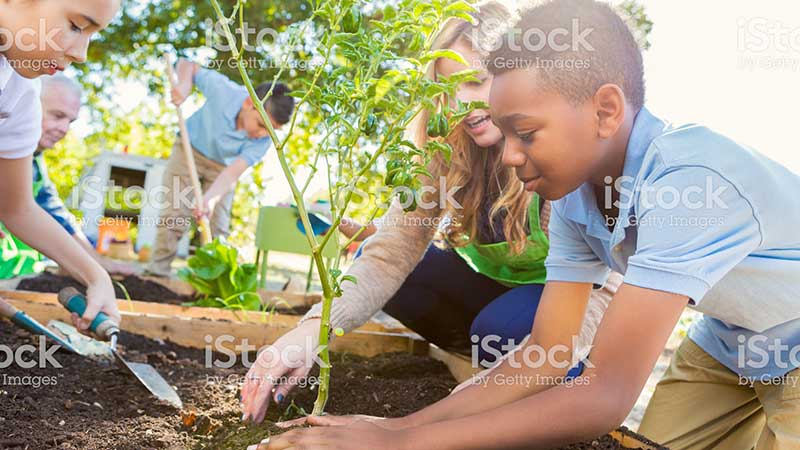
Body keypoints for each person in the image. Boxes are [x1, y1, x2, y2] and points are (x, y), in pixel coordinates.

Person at [259, 1, 800, 449]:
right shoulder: (571, 196)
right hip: (727, 340)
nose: (511, 158)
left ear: (605, 110)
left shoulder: (689, 184)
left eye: (524, 132)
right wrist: (397, 427)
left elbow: (605, 392)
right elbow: (548, 353)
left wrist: (401, 444)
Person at [241, 0, 621, 426]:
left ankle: (529, 370)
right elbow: (392, 250)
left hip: (567, 303)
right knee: (396, 270)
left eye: (477, 81)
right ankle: (476, 358)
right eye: (447, 89)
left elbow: (607, 289)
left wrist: (456, 410)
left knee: (500, 329)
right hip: (495, 292)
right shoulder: (444, 150)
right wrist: (311, 332)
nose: (462, 103)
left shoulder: (557, 154)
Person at [0, 0, 122, 332]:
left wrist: (95, 275)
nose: (81, 53)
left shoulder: (18, 93)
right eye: (76, 26)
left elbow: (17, 208)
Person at [145, 60, 295, 277]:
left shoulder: (263, 141)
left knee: (218, 226)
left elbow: (233, 172)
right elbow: (188, 64)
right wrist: (185, 85)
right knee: (175, 215)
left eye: (271, 131)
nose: (263, 134)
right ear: (248, 103)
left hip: (223, 168)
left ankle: (215, 283)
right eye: (262, 125)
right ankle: (156, 274)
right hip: (190, 151)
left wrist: (211, 199)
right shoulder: (225, 91)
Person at [0, 74, 136, 279]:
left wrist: (97, 265)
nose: (64, 129)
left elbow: (59, 217)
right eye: (57, 116)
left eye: (70, 121)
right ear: (29, 106)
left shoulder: (36, 162)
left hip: (11, 276)